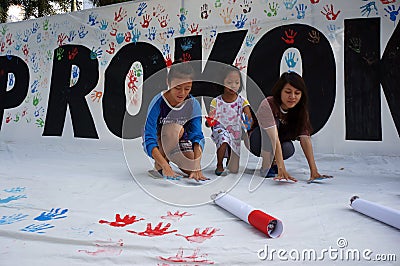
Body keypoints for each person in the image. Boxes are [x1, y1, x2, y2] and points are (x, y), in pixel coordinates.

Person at [249, 71, 332, 183]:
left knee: (288, 148)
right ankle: (266, 165)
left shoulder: (300, 110)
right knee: (275, 125)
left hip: (280, 142)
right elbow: (274, 138)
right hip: (258, 141)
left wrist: (314, 171)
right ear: (280, 92)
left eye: (297, 93)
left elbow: (305, 138)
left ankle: (274, 163)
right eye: (288, 92)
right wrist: (281, 168)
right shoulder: (268, 104)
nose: (292, 97)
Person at [142, 61, 208, 181]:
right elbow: (149, 137)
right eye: (177, 87)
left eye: (187, 88)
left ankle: (171, 156)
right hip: (160, 141)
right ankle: (160, 164)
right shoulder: (158, 102)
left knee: (191, 168)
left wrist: (197, 165)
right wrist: (165, 165)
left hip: (180, 140)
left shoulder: (193, 104)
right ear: (168, 81)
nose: (182, 93)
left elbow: (197, 135)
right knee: (175, 129)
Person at [206, 65, 254, 175]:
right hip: (220, 129)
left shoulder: (242, 101)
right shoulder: (216, 101)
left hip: (235, 131)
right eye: (229, 82)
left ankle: (230, 161)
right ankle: (219, 164)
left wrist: (248, 123)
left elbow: (249, 117)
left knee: (234, 170)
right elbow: (211, 117)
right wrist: (210, 122)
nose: (233, 86)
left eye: (237, 83)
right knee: (223, 139)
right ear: (221, 82)